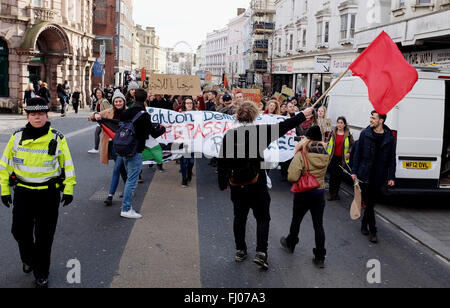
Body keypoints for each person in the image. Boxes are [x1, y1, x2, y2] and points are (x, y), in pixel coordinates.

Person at [218, 101, 313, 270]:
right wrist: (303, 115)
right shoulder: (260, 132)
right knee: (262, 218)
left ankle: (240, 250)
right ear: (254, 115)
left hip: (237, 185)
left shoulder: (229, 135)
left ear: (237, 115)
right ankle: (261, 253)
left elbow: (222, 162)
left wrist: (222, 183)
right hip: (257, 184)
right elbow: (284, 126)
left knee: (239, 218)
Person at [0, 97, 76, 288]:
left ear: (46, 115)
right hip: (23, 193)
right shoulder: (16, 137)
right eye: (33, 114)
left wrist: (68, 189)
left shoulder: (57, 138)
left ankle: (42, 273)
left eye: (41, 114)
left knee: (44, 236)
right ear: (27, 116)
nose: (37, 118)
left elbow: (67, 164)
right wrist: (4, 190)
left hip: (48, 195)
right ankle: (28, 258)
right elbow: (4, 165)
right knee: (19, 231)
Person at [280, 126, 330, 268]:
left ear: (307, 138)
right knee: (318, 225)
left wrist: (298, 149)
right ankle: (320, 256)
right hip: (319, 193)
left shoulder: (302, 154)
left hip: (303, 193)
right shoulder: (325, 154)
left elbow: (292, 176)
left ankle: (291, 243)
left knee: (296, 220)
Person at [118, 88, 165, 219]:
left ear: (133, 98)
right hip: (136, 150)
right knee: (132, 181)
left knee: (129, 179)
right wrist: (162, 128)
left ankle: (127, 207)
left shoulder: (126, 112)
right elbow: (153, 133)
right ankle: (126, 209)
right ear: (145, 99)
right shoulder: (144, 115)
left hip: (123, 148)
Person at [351, 111, 397, 244]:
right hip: (365, 173)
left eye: (373, 117)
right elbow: (357, 154)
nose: (370, 120)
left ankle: (364, 223)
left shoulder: (389, 137)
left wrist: (391, 176)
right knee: (369, 203)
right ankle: (373, 231)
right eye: (370, 117)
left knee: (371, 203)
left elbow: (391, 159)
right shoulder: (365, 134)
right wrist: (354, 171)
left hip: (379, 175)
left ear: (381, 120)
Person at [89, 89, 128, 206]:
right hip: (112, 145)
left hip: (125, 145)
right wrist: (95, 114)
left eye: (120, 101)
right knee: (120, 168)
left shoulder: (128, 112)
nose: (118, 103)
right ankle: (128, 185)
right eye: (116, 101)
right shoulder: (108, 112)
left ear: (124, 102)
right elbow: (91, 117)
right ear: (113, 102)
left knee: (117, 169)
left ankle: (110, 195)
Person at [326, 117, 355, 201]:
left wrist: (349, 152)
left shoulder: (348, 134)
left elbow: (352, 145)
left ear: (344, 124)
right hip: (332, 158)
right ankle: (331, 194)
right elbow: (328, 143)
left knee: (339, 177)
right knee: (332, 176)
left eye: (341, 122)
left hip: (342, 159)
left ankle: (336, 193)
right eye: (338, 122)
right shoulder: (333, 132)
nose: (339, 124)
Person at [179, 97, 196, 187]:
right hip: (183, 141)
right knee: (184, 161)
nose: (189, 104)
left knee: (191, 161)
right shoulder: (180, 115)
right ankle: (184, 179)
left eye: (191, 103)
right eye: (187, 103)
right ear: (184, 104)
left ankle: (189, 172)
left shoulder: (197, 114)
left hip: (194, 141)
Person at [88, 88, 110, 154]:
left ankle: (97, 149)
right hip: (100, 120)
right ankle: (97, 148)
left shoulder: (104, 101)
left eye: (99, 93)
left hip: (104, 121)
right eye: (97, 93)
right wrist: (91, 117)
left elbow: (107, 111)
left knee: (103, 135)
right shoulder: (98, 101)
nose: (98, 94)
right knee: (99, 134)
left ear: (102, 93)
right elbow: (97, 111)